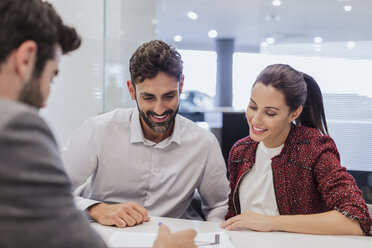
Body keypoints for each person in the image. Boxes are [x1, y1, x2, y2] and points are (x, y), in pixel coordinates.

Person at [0, 1, 196, 247]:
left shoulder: (201, 142)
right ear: (26, 59)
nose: (46, 100)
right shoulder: (16, 129)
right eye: (51, 75)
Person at [62, 40, 230, 227]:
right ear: (132, 90)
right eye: (148, 97)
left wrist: (216, 237)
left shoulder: (204, 144)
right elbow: (50, 191)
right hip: (104, 236)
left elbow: (219, 206)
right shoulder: (99, 131)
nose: (159, 110)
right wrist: (97, 209)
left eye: (169, 96)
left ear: (181, 85)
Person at [220, 64, 372, 235]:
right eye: (253, 107)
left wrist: (270, 222)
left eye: (270, 113)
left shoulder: (314, 148)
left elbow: (357, 220)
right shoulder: (241, 151)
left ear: (294, 113)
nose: (255, 120)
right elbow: (234, 217)